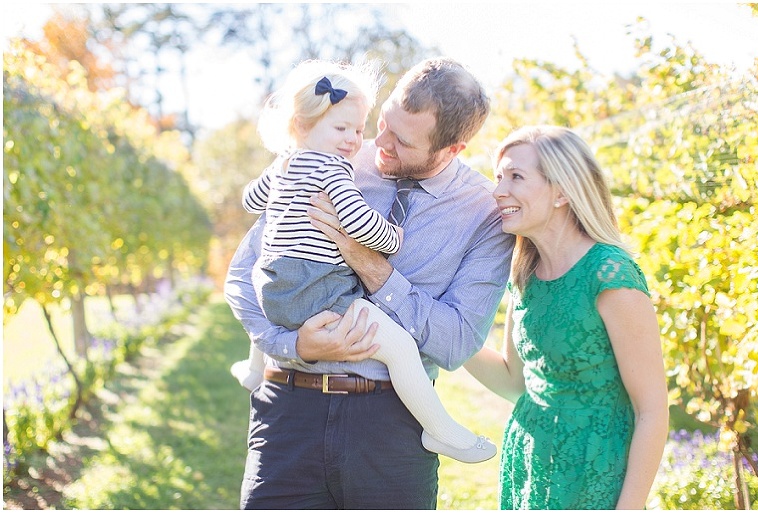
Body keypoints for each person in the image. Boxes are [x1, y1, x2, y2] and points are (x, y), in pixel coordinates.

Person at [224, 56, 515, 509]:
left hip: (391, 427)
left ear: (452, 149)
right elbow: (245, 275)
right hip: (288, 410)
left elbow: (457, 341)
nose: (375, 143)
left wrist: (371, 266)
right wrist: (290, 344)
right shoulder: (327, 155)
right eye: (381, 124)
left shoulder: (483, 214)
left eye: (401, 140)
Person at [463, 125, 669, 509]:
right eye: (499, 177)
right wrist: (447, 333)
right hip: (530, 462)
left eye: (516, 177)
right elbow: (514, 380)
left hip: (593, 473)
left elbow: (653, 411)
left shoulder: (609, 275)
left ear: (561, 192)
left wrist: (630, 507)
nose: (498, 191)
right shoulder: (524, 272)